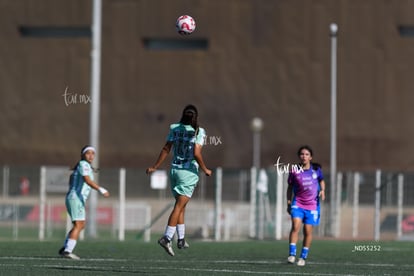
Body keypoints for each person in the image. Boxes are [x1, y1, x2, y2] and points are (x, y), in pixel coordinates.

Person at [146, 104, 212, 257]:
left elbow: (166, 148)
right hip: (188, 173)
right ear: (196, 117)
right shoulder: (198, 131)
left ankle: (181, 239)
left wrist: (155, 166)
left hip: (174, 171)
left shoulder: (174, 128)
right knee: (178, 206)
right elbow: (196, 153)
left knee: (181, 206)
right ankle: (167, 237)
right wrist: (205, 169)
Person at [58, 145, 110, 259]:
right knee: (78, 224)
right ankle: (67, 251)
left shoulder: (83, 166)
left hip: (76, 198)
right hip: (75, 198)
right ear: (82, 155)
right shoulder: (83, 164)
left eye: (93, 153)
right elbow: (87, 180)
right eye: (88, 153)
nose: (91, 155)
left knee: (81, 225)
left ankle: (65, 248)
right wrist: (101, 189)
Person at [286, 145, 326, 266]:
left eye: (307, 154)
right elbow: (290, 187)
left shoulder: (316, 170)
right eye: (302, 154)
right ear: (299, 156)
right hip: (298, 203)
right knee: (295, 225)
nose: (304, 156)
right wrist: (288, 202)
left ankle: (303, 257)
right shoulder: (294, 170)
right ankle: (292, 254)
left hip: (313, 206)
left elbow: (322, 181)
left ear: (310, 157)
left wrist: (323, 190)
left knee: (307, 231)